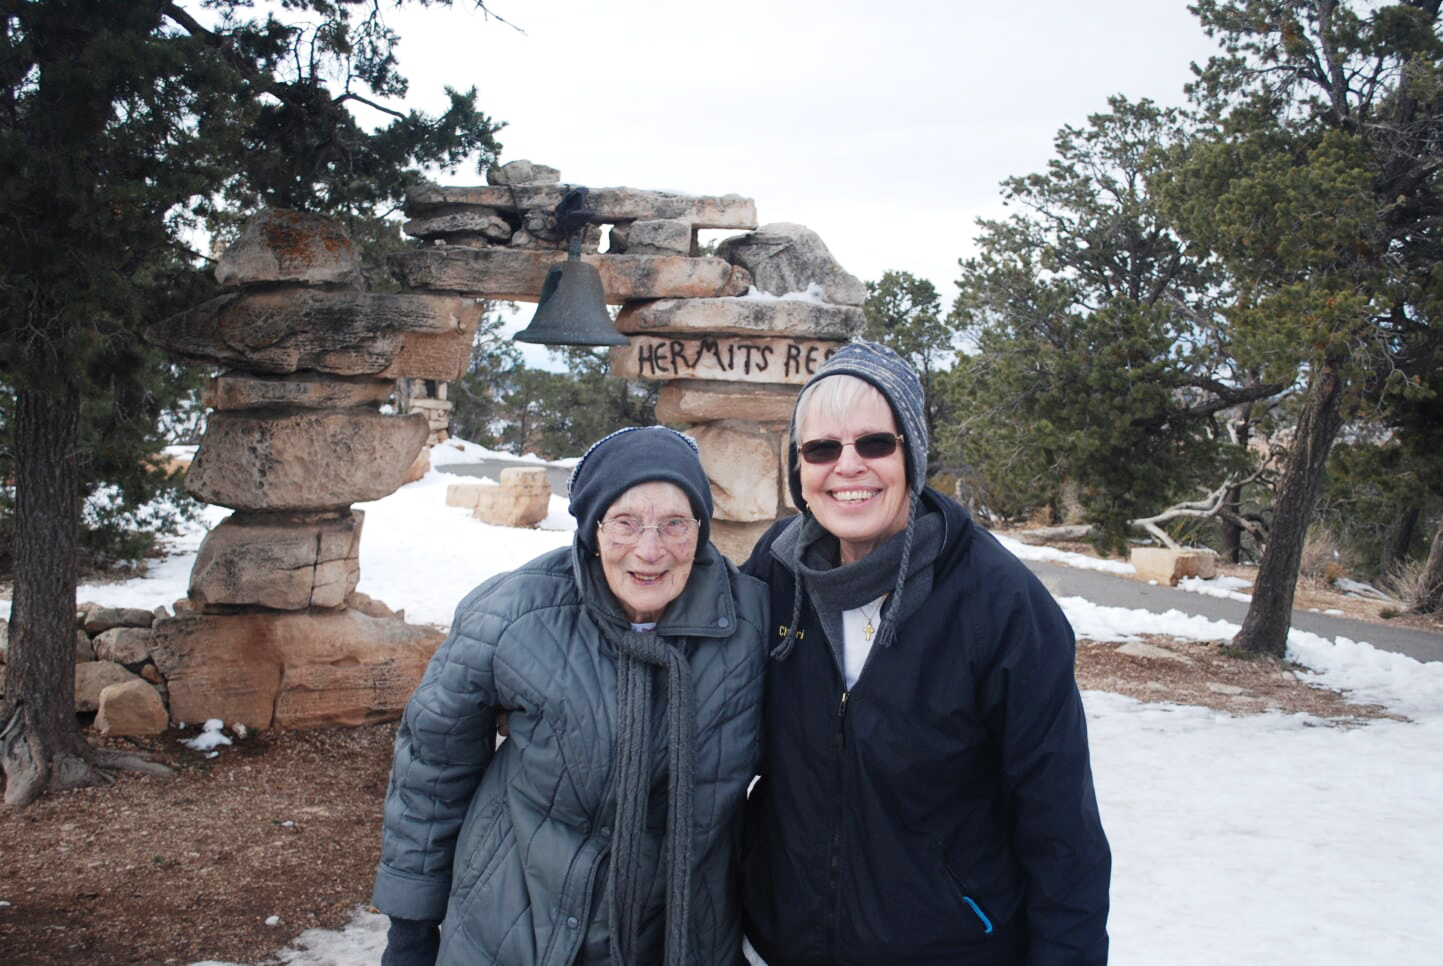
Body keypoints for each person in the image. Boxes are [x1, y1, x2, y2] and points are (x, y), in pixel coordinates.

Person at [741, 341, 1111, 965]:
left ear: (912, 453)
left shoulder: (1001, 605)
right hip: (778, 945)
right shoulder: (775, 575)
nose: (847, 467)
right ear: (798, 470)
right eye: (822, 449)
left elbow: (1062, 838)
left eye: (875, 444)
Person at [373, 426, 767, 966]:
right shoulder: (514, 615)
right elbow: (432, 768)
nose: (649, 550)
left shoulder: (752, 624)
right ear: (591, 528)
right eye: (625, 523)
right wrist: (411, 927)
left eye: (675, 523)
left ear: (700, 530)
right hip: (517, 934)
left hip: (682, 939)